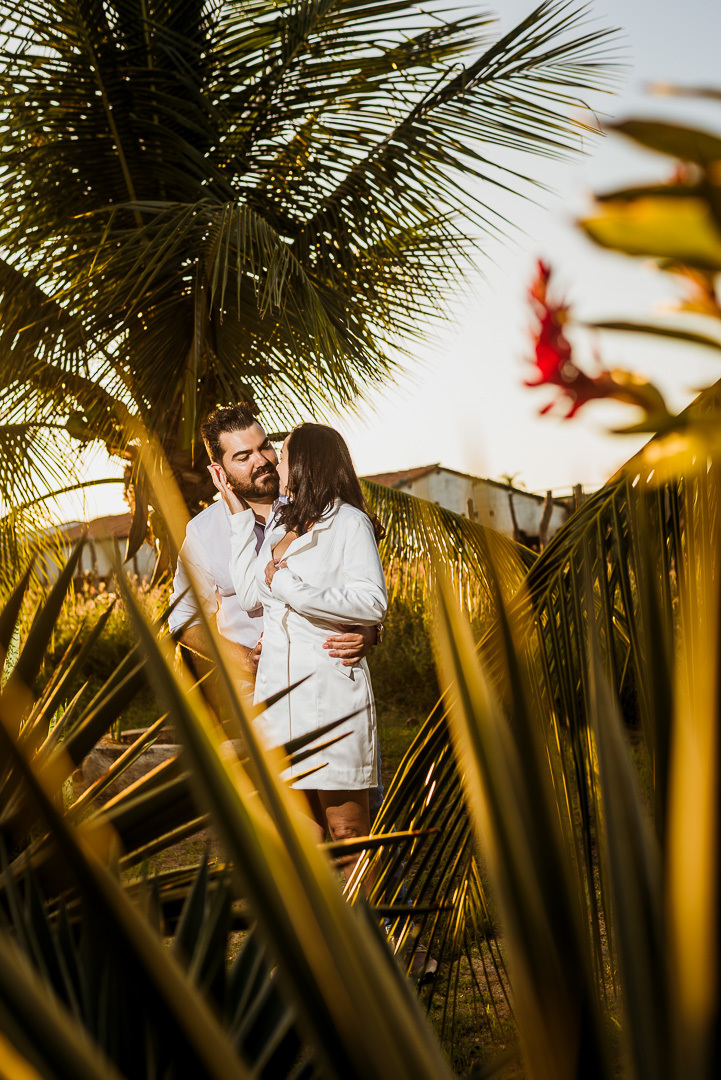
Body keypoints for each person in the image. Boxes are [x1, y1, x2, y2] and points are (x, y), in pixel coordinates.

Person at [211, 422, 387, 864]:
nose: (273, 461)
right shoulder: (280, 526)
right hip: (279, 702)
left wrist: (288, 584)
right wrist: (236, 517)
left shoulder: (349, 522)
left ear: (307, 463)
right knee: (303, 842)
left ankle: (370, 930)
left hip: (330, 697)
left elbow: (371, 603)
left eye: (281, 454)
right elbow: (251, 594)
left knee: (348, 835)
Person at [167, 404, 377, 682]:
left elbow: (363, 587)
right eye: (243, 457)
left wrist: (369, 631)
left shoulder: (319, 507)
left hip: (325, 673)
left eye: (264, 447)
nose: (262, 460)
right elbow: (184, 619)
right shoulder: (203, 532)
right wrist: (243, 659)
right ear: (220, 471)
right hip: (250, 686)